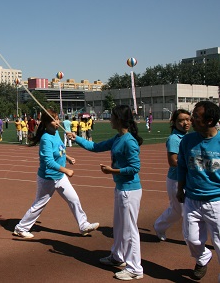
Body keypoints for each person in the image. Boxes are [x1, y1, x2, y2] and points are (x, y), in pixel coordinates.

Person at [70, 105, 144, 281]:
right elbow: (95, 146)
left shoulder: (129, 141)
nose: (109, 119)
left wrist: (113, 171)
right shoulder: (118, 138)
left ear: (119, 119)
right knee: (119, 226)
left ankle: (135, 268)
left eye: (111, 117)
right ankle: (117, 256)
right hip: (121, 189)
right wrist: (76, 138)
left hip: (130, 190)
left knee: (130, 229)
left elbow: (135, 168)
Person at [14, 109, 99, 239]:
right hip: (48, 178)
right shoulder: (46, 139)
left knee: (74, 199)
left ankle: (83, 225)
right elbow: (48, 161)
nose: (57, 122)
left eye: (57, 118)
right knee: (39, 205)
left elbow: (60, 150)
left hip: (60, 177)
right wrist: (66, 170)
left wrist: (68, 158)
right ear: (47, 123)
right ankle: (21, 228)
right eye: (54, 120)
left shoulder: (56, 133)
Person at [176, 101, 220, 280]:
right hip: (192, 199)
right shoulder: (187, 140)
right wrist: (180, 189)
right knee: (191, 239)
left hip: (216, 201)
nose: (191, 120)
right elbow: (181, 167)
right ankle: (202, 257)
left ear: (209, 121)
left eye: (196, 117)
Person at [153, 109, 191, 241]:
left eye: (188, 119)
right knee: (178, 211)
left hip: (188, 179)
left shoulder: (188, 137)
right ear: (174, 123)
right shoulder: (174, 139)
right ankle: (159, 226)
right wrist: (193, 166)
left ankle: (191, 238)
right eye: (181, 120)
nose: (185, 123)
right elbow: (173, 161)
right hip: (176, 179)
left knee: (189, 211)